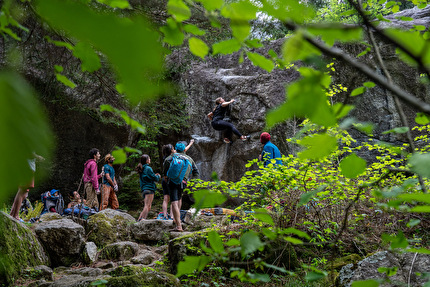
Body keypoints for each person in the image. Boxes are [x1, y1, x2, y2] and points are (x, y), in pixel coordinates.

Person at [163, 142, 199, 232]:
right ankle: (176, 219)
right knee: (179, 199)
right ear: (184, 149)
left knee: (174, 202)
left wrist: (166, 178)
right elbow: (196, 172)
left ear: (176, 148)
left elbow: (165, 169)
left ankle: (178, 226)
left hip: (172, 182)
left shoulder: (171, 157)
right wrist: (191, 182)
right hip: (183, 182)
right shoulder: (189, 159)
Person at [10, 152, 44, 221]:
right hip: (27, 168)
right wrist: (39, 157)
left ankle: (12, 214)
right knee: (22, 191)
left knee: (24, 193)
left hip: (28, 168)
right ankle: (15, 215)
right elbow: (30, 153)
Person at [137, 154, 160, 221]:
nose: (150, 160)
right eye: (149, 158)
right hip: (149, 188)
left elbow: (148, 176)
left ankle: (139, 220)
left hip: (144, 189)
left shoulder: (142, 168)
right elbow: (154, 178)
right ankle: (142, 220)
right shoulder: (148, 168)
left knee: (147, 206)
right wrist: (158, 176)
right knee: (147, 206)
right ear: (147, 160)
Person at [161, 144, 174, 220]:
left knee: (166, 198)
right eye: (173, 148)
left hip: (164, 179)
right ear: (171, 150)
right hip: (170, 179)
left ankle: (165, 215)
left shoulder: (164, 158)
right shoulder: (172, 158)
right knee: (173, 199)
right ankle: (172, 215)